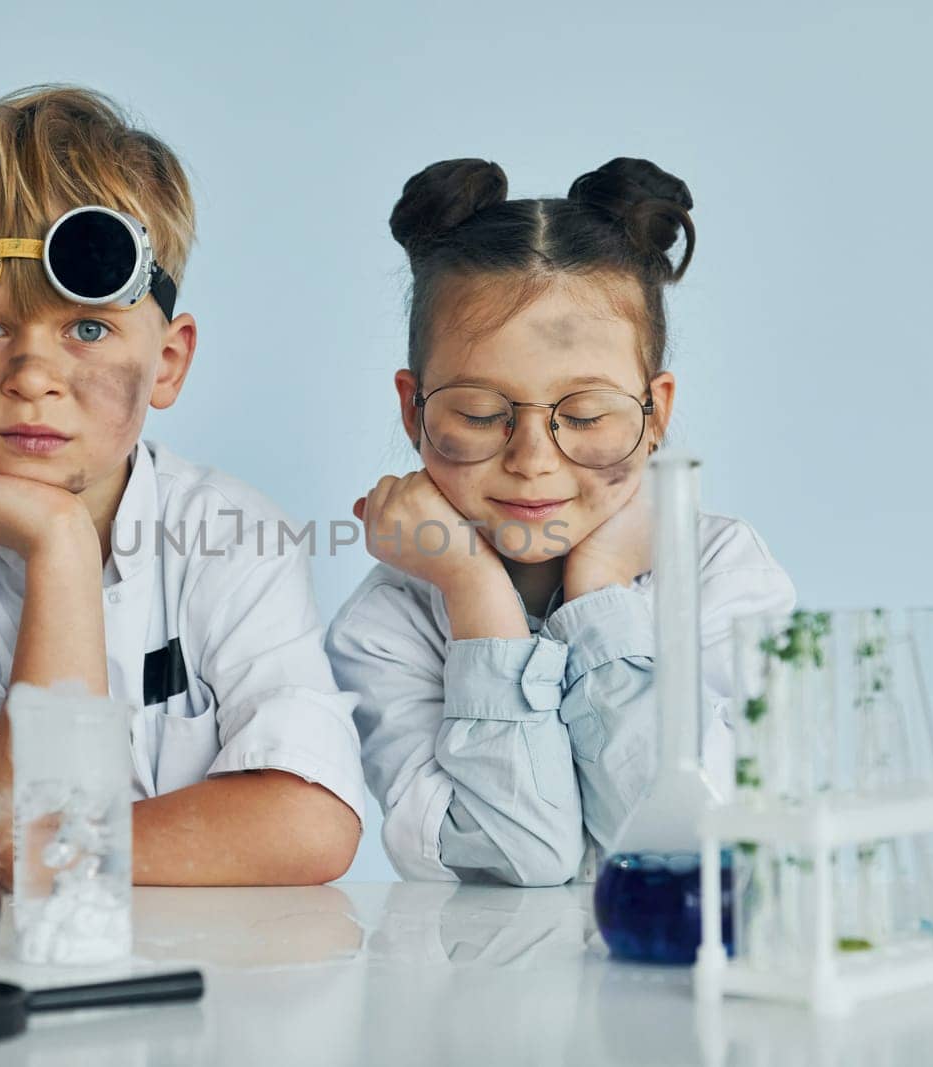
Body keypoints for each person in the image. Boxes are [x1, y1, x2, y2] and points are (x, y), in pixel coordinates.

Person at [0, 85, 363, 889]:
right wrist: (62, 551)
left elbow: (311, 820)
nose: (33, 375)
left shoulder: (233, 534)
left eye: (87, 327)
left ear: (169, 363)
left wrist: (52, 849)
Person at [325, 157, 795, 886]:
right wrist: (474, 593)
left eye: (584, 414)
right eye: (482, 414)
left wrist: (599, 591)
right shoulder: (387, 628)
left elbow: (688, 845)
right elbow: (523, 855)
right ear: (413, 409)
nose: (533, 459)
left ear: (656, 413)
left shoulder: (724, 574)